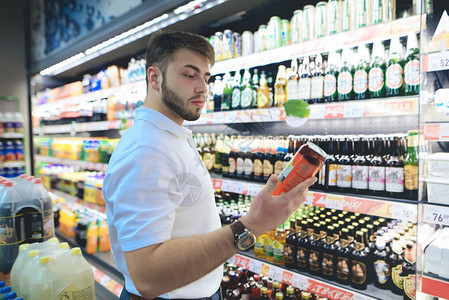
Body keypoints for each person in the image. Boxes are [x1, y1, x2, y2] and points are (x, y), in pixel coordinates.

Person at [103, 31, 316, 300]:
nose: (203, 88)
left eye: (206, 78)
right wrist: (251, 224)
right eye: (190, 75)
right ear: (154, 78)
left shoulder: (170, 136)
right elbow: (147, 276)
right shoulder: (147, 149)